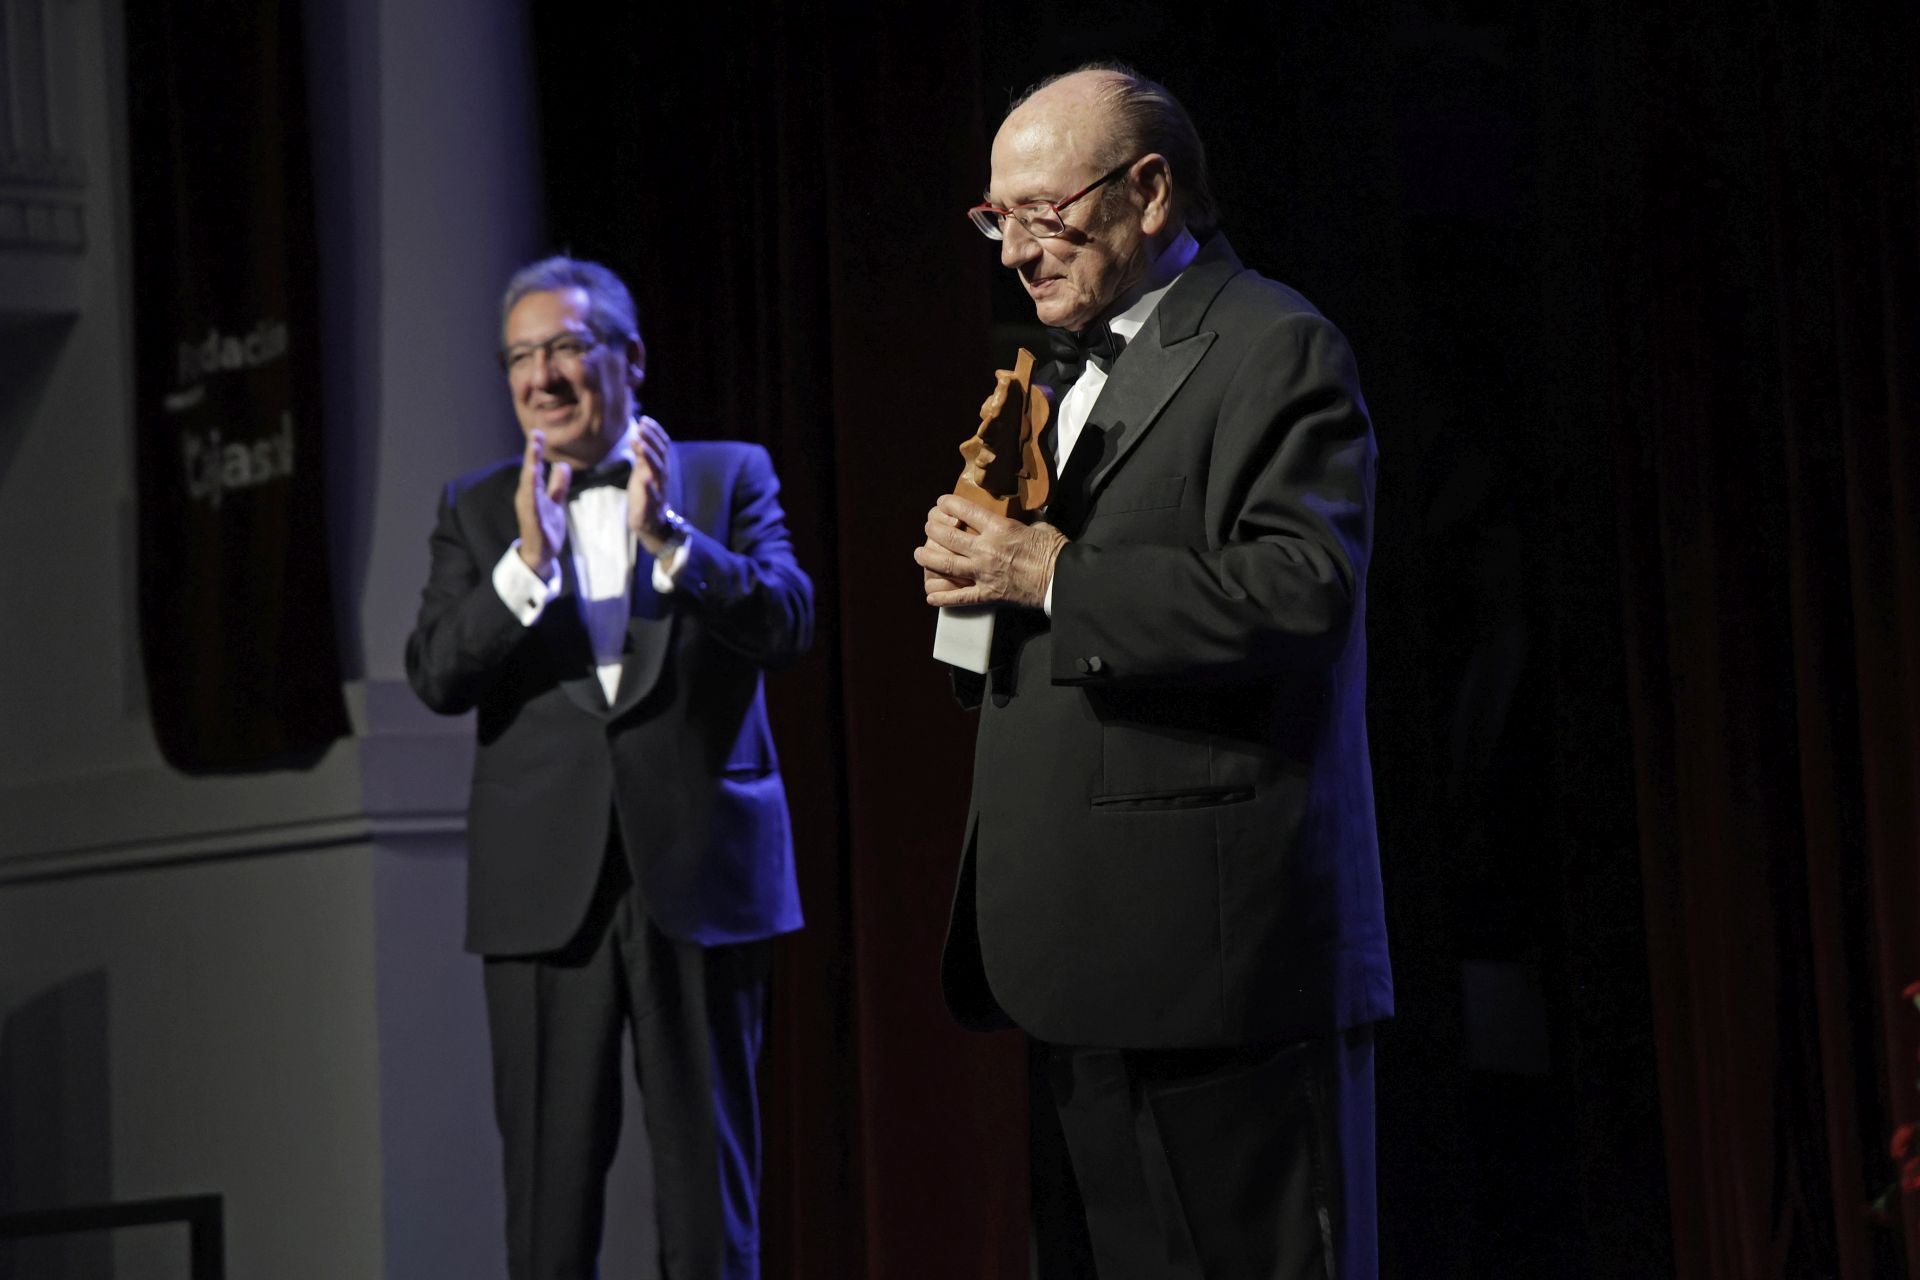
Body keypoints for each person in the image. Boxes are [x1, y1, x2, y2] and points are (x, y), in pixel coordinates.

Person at [915, 64, 1392, 1279]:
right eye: (995, 219)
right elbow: (1046, 615)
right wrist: (977, 593)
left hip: (1225, 963)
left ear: (1151, 190)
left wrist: (1051, 573)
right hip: (1085, 954)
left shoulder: (1275, 344)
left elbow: (1303, 591)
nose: (1016, 250)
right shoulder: (1056, 375)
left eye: (1043, 212)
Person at [407, 255, 812, 1280]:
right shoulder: (473, 507)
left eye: (565, 348)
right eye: (520, 356)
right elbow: (436, 673)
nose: (541, 374)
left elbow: (789, 619)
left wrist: (672, 538)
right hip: (544, 890)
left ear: (628, 358)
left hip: (699, 873)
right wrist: (525, 567)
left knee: (709, 1204)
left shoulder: (726, 475)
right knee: (548, 1209)